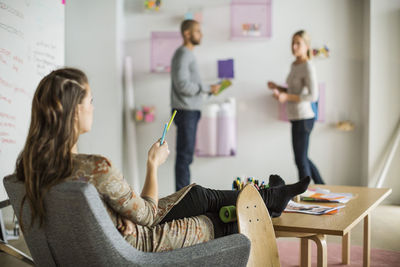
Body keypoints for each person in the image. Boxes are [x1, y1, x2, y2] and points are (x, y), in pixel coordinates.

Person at [16, 68, 310, 253]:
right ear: (74, 112)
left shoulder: (28, 168)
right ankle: (270, 202)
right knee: (222, 218)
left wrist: (112, 220)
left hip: (112, 239)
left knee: (197, 194)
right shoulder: (95, 168)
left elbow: (88, 212)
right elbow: (146, 214)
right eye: (90, 101)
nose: (94, 107)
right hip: (138, 242)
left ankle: (271, 197)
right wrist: (152, 165)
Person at [268, 30, 325, 185]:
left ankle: (303, 194)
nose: (294, 46)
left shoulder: (308, 66)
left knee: (300, 159)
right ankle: (323, 185)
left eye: (298, 43)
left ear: (306, 46)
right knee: (303, 157)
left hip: (305, 117)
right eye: (292, 43)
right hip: (295, 117)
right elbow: (293, 91)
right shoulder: (294, 65)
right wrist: (279, 88)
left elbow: (313, 96)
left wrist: (286, 97)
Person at [170, 19, 221, 191]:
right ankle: (182, 201)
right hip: (186, 112)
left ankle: (183, 198)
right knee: (184, 158)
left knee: (186, 157)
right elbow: (182, 85)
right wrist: (206, 88)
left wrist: (207, 91)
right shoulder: (183, 54)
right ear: (187, 34)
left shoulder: (187, 54)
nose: (201, 34)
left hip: (189, 111)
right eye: (198, 31)